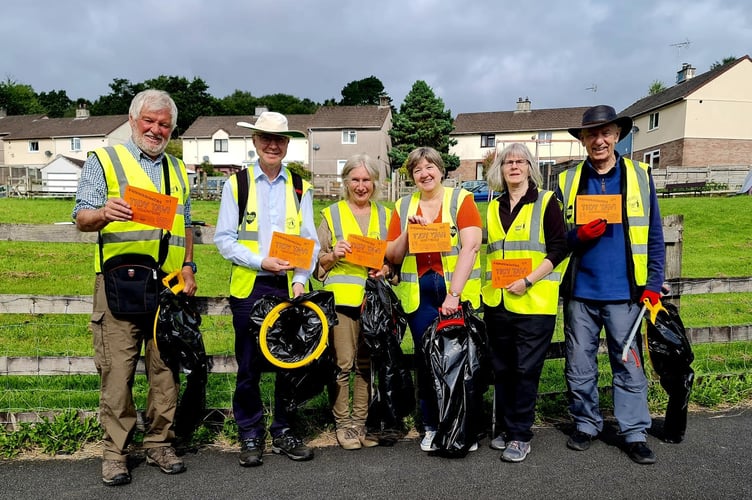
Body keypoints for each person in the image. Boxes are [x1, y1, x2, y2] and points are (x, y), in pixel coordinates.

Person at [72, 89, 196, 486]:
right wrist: (104, 212)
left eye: (164, 124)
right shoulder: (104, 160)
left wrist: (189, 265)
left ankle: (159, 441)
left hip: (168, 288)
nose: (156, 129)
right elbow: (80, 216)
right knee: (117, 371)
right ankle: (115, 452)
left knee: (165, 371)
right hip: (119, 283)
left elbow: (186, 224)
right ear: (132, 120)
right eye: (149, 121)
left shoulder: (177, 169)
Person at [557, 105, 665, 465]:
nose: (599, 140)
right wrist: (576, 235)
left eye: (606, 133)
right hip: (580, 292)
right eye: (592, 134)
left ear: (618, 135)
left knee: (629, 364)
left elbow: (654, 235)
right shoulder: (566, 181)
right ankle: (586, 424)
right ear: (583, 140)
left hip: (626, 294)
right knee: (579, 363)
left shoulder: (640, 175)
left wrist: (653, 283)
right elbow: (555, 239)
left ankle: (634, 432)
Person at [214, 111, 319, 467]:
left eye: (279, 139)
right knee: (249, 365)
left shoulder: (300, 186)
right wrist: (262, 262)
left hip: (289, 286)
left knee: (290, 362)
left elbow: (310, 241)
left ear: (287, 144)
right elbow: (224, 240)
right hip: (250, 285)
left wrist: (302, 278)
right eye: (265, 138)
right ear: (255, 142)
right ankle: (250, 433)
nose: (272, 145)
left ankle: (284, 430)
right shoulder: (237, 184)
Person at [385, 146, 483, 452]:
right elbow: (392, 255)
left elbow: (471, 247)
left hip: (456, 295)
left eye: (429, 167)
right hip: (419, 297)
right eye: (417, 170)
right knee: (427, 364)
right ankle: (431, 425)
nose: (424, 174)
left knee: (462, 362)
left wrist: (454, 294)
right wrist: (407, 233)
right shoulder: (403, 206)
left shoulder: (461, 199)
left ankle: (465, 427)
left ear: (440, 170)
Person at [481, 143, 569, 463]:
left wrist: (530, 279)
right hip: (499, 300)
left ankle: (520, 435)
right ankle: (506, 426)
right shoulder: (493, 205)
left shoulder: (547, 202)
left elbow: (559, 249)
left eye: (520, 162)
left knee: (524, 370)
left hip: (533, 301)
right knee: (502, 369)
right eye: (508, 162)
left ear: (530, 167)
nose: (514, 167)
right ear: (500, 170)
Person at [315, 153, 391, 450]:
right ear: (346, 181)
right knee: (343, 363)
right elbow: (317, 266)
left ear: (375, 182)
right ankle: (343, 424)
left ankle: (360, 423)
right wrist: (334, 254)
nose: (361, 186)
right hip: (342, 301)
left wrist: (385, 269)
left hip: (372, 302)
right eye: (355, 180)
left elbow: (393, 263)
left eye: (366, 180)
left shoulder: (385, 215)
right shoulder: (331, 214)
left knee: (365, 363)